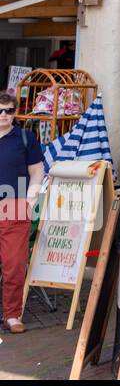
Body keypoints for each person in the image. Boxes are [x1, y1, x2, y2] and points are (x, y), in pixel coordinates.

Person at [0, 91, 42, 333]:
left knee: (14, 264)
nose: (4, 115)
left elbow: (37, 172)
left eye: (9, 110)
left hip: (14, 206)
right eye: (0, 110)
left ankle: (12, 315)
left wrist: (29, 200)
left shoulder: (25, 138)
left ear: (15, 113)